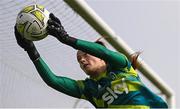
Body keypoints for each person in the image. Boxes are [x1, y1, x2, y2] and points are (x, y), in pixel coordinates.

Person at [14, 13, 168, 108]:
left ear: (102, 59)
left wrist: (67, 39)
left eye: (86, 55)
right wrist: (31, 51)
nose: (82, 60)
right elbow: (53, 81)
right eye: (79, 59)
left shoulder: (122, 67)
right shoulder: (88, 89)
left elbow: (103, 51)